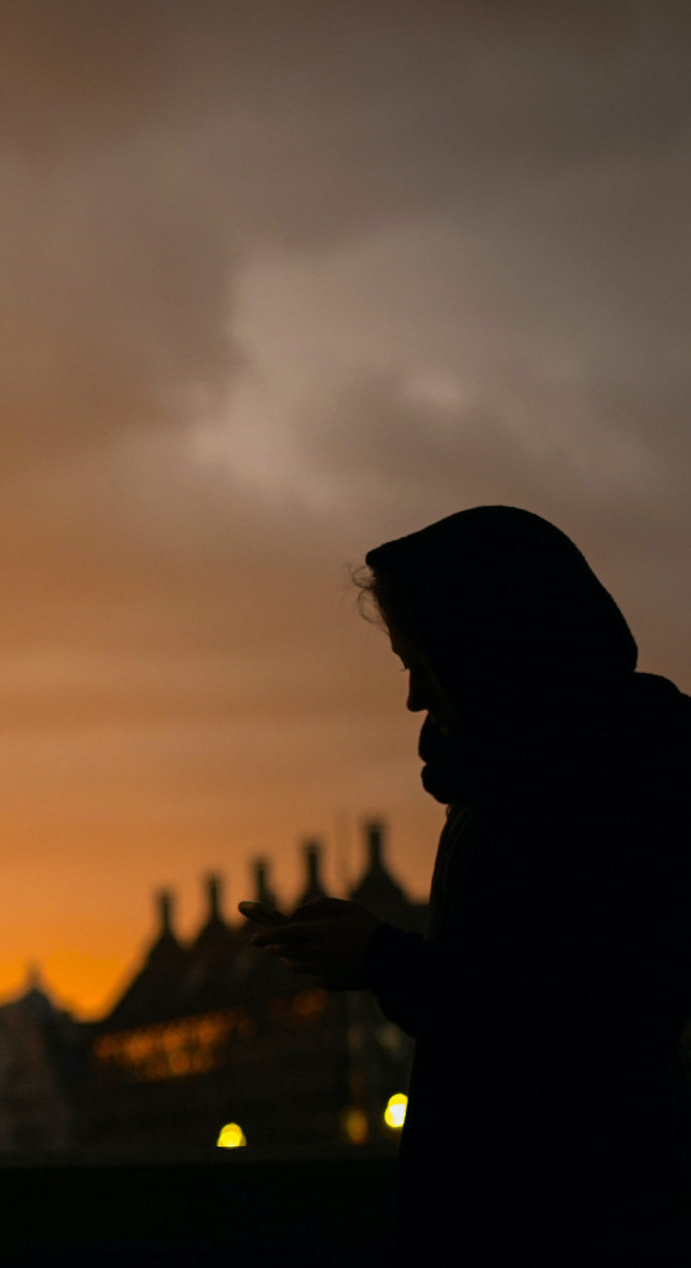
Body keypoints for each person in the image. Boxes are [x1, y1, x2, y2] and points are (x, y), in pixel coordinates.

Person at [247, 507, 691, 1258]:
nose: (415, 699)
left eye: (424, 665)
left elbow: (570, 1017)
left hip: (564, 1211)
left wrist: (379, 958)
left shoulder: (590, 788)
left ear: (488, 653)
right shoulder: (535, 770)